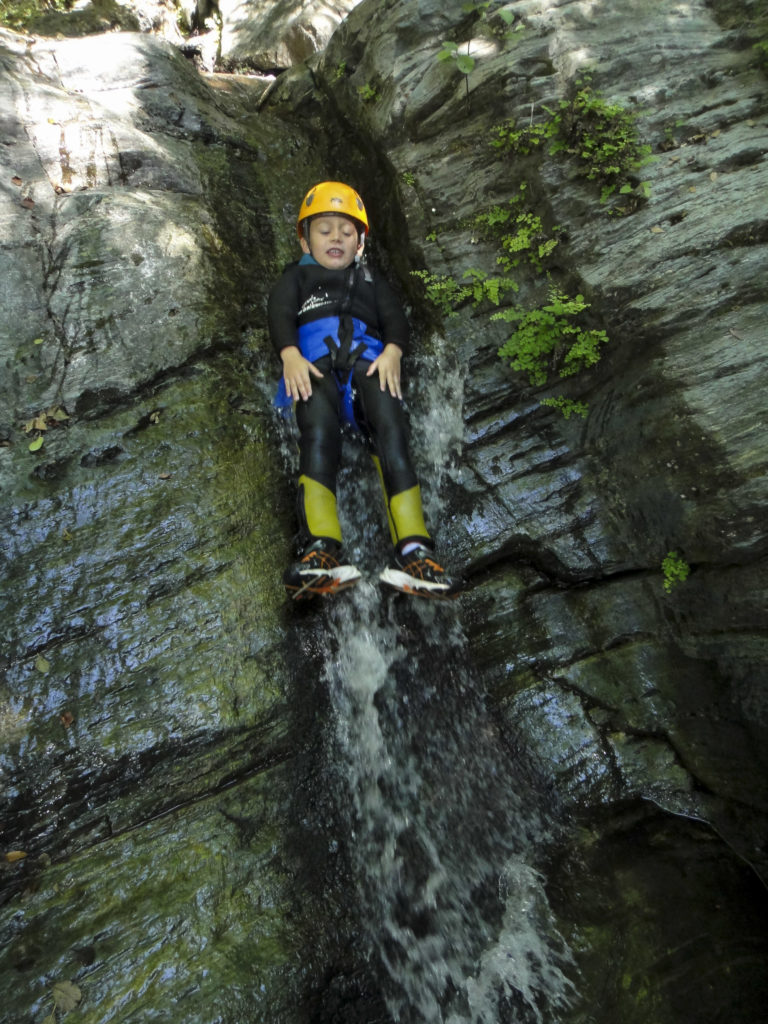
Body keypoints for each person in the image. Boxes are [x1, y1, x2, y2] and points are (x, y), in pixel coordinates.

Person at [268, 181, 459, 601]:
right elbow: (279, 314)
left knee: (392, 431)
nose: (336, 237)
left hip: (368, 370)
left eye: (346, 231)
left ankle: (414, 550)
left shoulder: (372, 281)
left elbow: (396, 320)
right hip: (313, 373)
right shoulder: (295, 278)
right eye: (324, 229)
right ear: (304, 239)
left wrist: (393, 351)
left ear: (360, 242)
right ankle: (321, 548)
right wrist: (290, 355)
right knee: (317, 436)